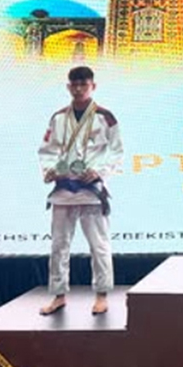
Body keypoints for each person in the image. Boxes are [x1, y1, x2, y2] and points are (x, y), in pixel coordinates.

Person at [37, 66, 123, 316]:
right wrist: (50, 170)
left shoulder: (105, 117)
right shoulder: (58, 118)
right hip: (63, 190)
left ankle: (102, 295)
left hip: (91, 190)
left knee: (99, 245)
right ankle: (59, 295)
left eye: (83, 84)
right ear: (68, 87)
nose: (78, 89)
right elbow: (47, 150)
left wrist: (100, 171)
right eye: (74, 85)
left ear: (92, 86)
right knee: (59, 246)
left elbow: (117, 151)